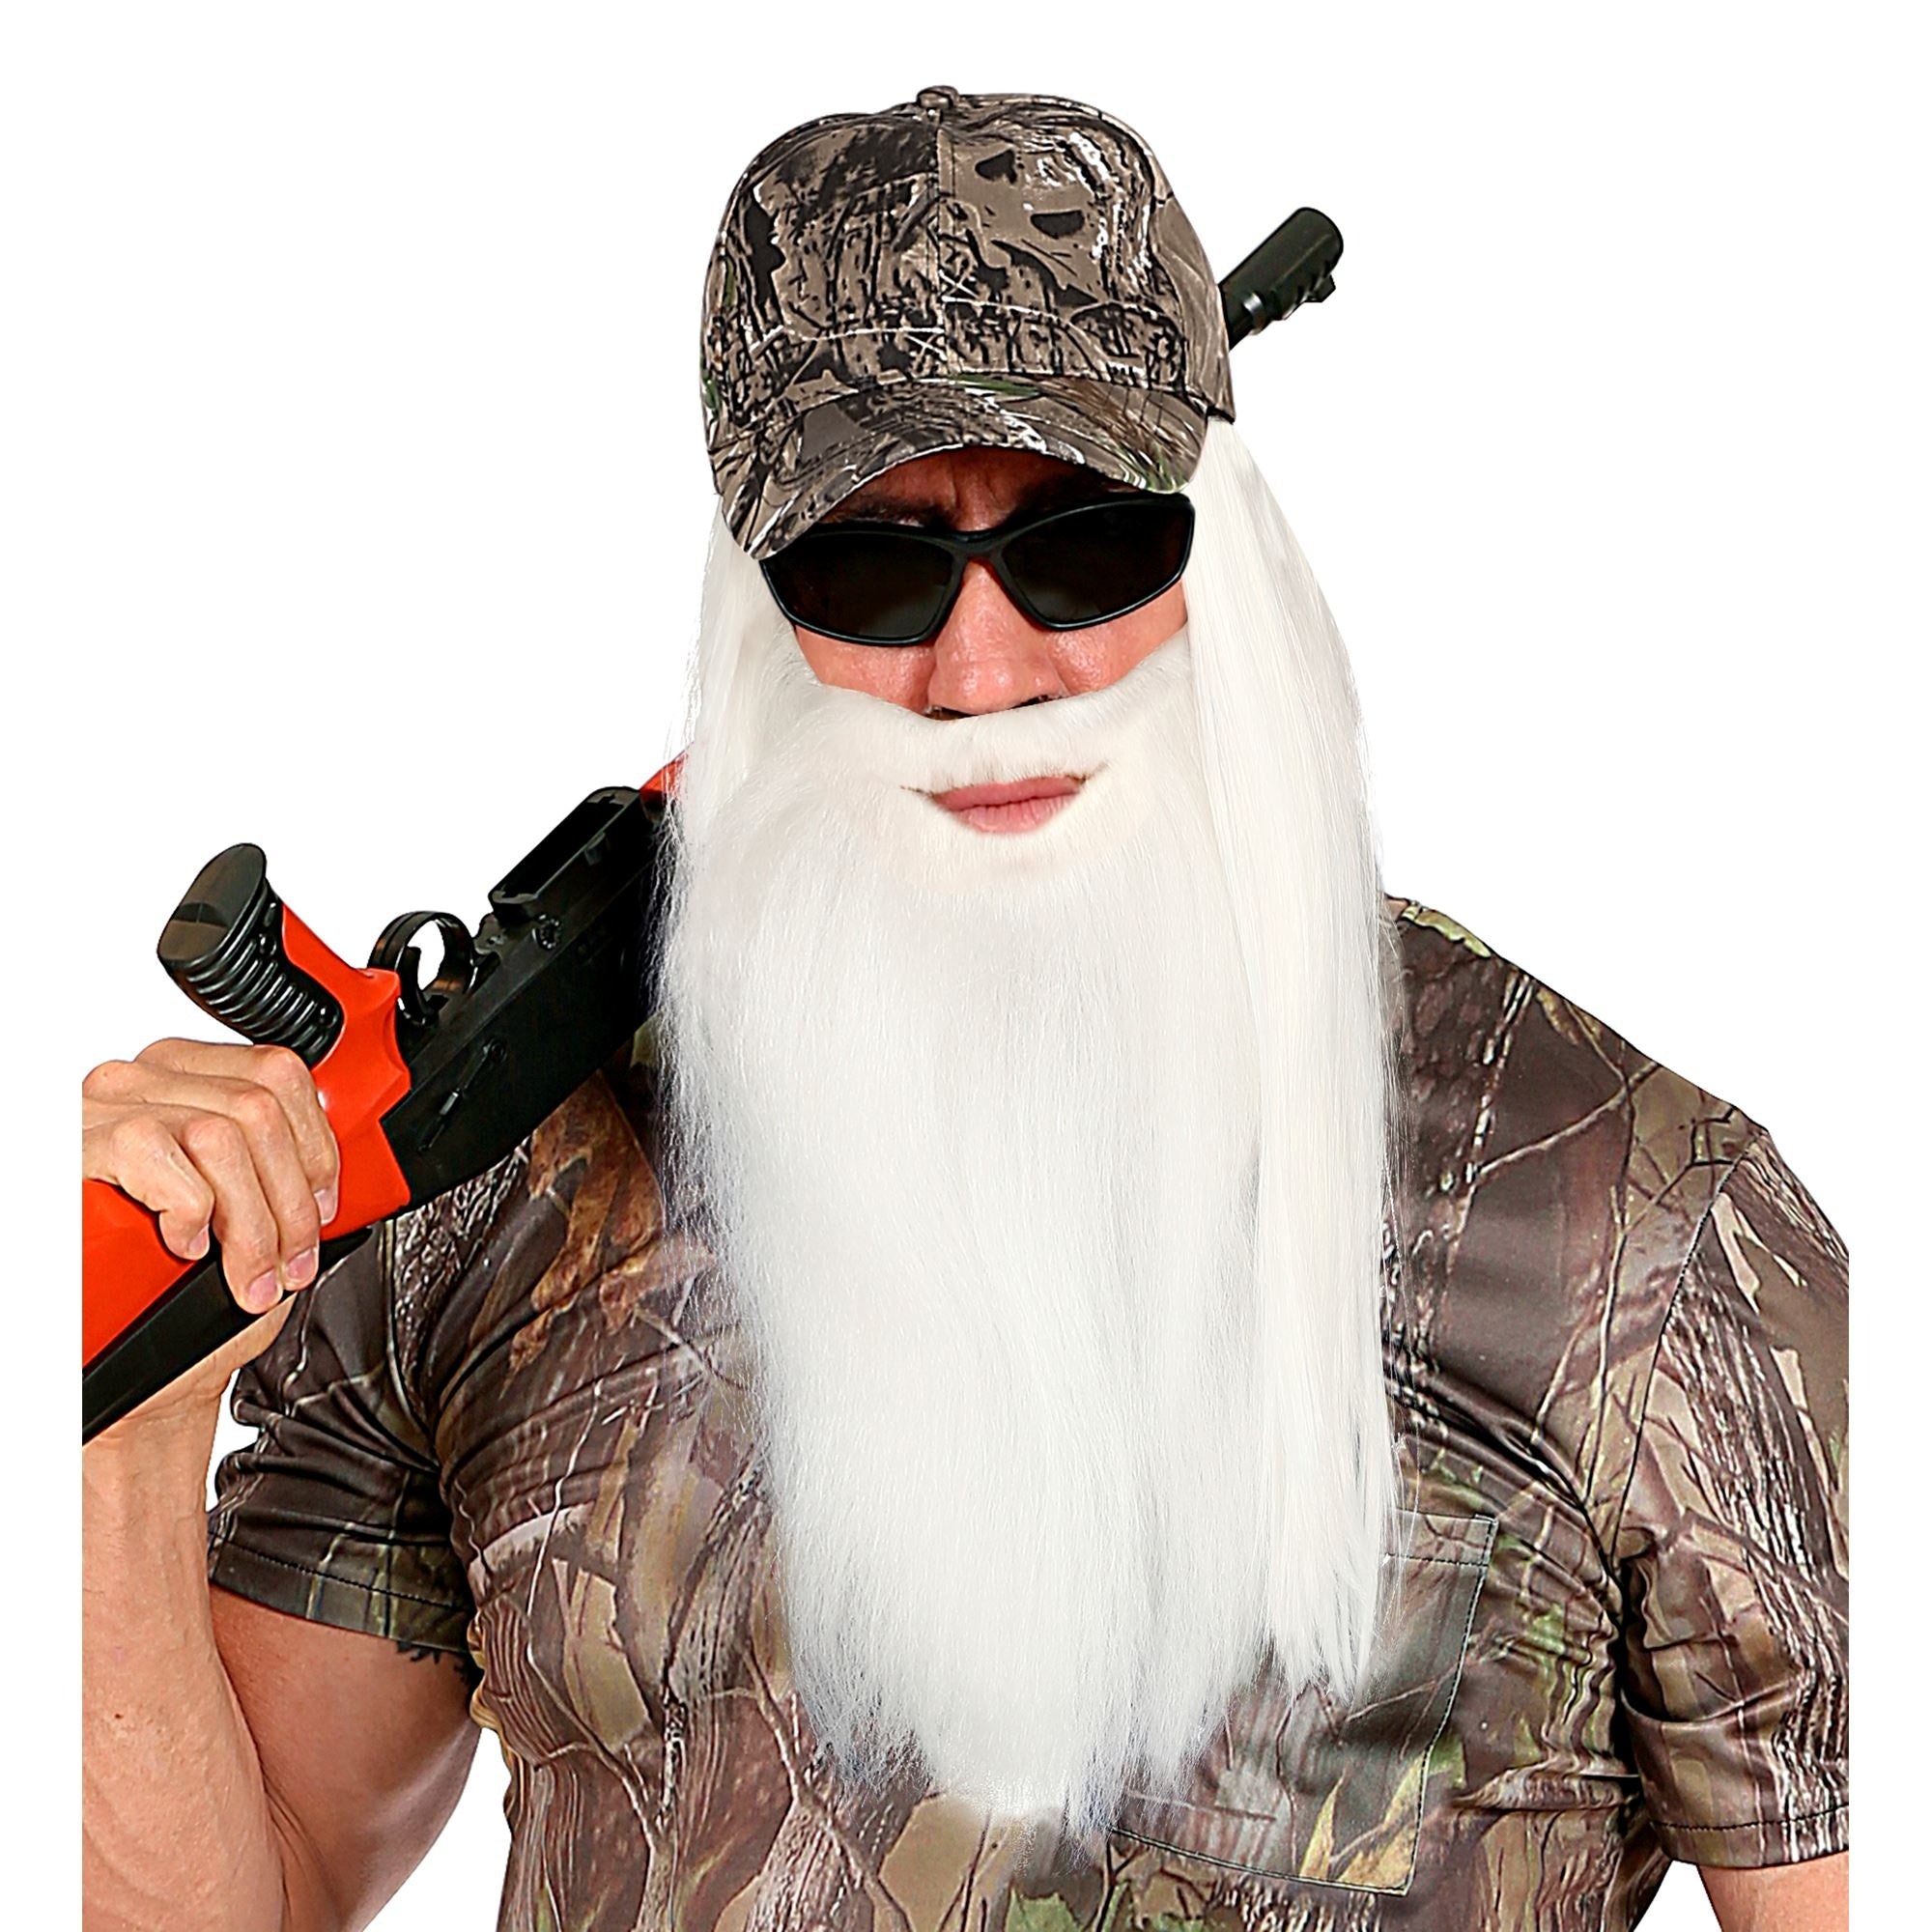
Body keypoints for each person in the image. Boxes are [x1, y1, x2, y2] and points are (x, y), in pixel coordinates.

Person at [81, 86, 1849, 1931]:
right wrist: (123, 1428)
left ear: (1225, 559)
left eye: (1086, 543)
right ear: (759, 619)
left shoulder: (1644, 1230)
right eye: (872, 567)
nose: (985, 673)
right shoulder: (494, 1203)